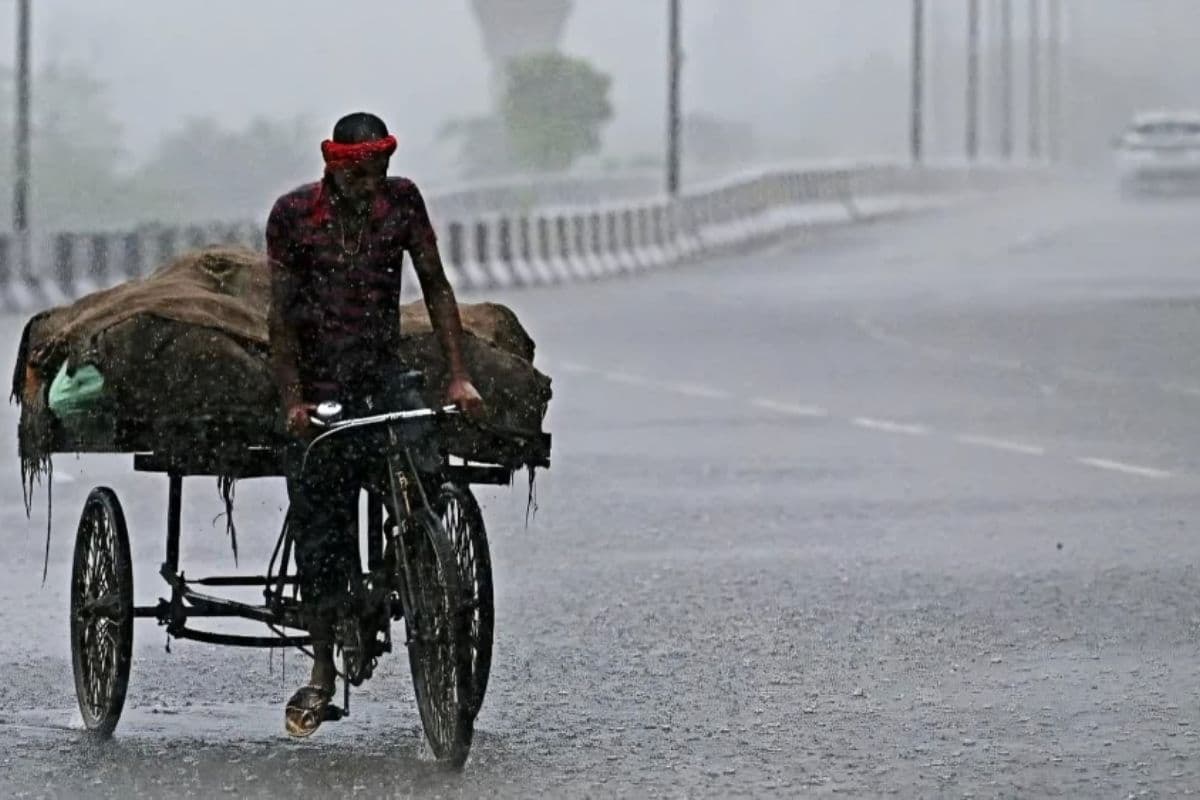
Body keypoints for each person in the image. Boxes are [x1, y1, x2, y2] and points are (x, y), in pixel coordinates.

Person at [266, 112, 484, 737]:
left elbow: (437, 287)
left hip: (383, 378)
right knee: (320, 515)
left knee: (426, 473)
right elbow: (280, 318)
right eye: (362, 171)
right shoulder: (293, 216)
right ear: (336, 166)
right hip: (319, 388)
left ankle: (415, 564)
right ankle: (322, 667)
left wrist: (458, 374)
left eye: (381, 168)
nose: (373, 182)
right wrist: (293, 400)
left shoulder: (403, 202)